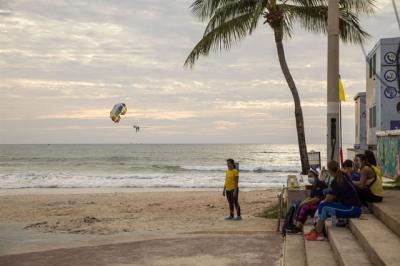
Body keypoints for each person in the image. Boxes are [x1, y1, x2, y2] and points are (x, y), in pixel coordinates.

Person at [306, 160, 362, 241]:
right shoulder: (344, 176)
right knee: (323, 205)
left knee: (323, 206)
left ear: (330, 170)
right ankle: (318, 231)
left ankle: (318, 233)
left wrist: (322, 201)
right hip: (352, 207)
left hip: (353, 209)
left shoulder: (336, 181)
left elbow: (329, 199)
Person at [287, 168, 327, 234]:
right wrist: (302, 202)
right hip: (317, 204)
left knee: (305, 207)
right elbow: (310, 197)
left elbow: (316, 199)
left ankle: (298, 228)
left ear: (316, 176)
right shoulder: (314, 185)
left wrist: (304, 203)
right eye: (308, 176)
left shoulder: (320, 184)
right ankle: (296, 226)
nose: (309, 178)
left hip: (321, 206)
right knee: (300, 204)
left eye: (311, 176)